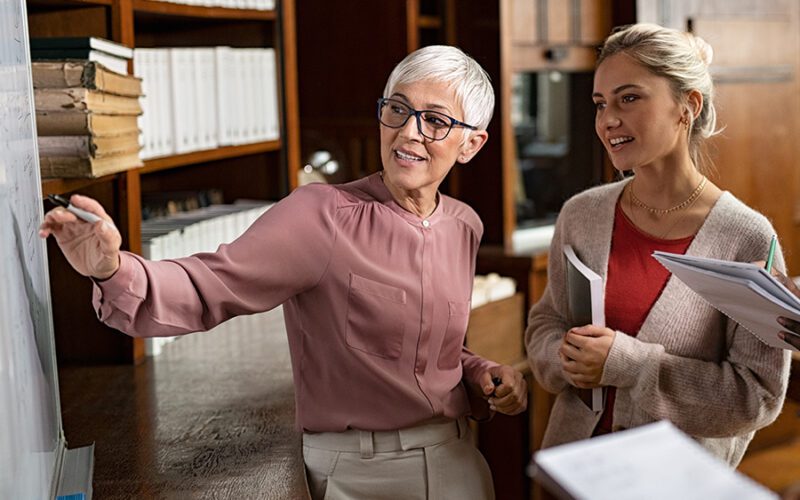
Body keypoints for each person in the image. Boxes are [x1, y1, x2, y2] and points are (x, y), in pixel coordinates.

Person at [39, 45, 527, 500]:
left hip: (459, 462)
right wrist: (109, 268)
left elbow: (432, 347)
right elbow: (209, 284)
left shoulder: (464, 225)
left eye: (435, 121)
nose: (408, 132)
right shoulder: (321, 215)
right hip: (357, 476)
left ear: (471, 144)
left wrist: (482, 372)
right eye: (397, 109)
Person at [525, 23, 789, 467]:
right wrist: (563, 355)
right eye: (600, 104)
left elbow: (755, 396)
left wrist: (625, 363)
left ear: (688, 106)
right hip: (573, 472)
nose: (608, 120)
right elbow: (545, 324)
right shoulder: (580, 215)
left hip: (676, 482)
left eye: (629, 98)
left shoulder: (748, 238)